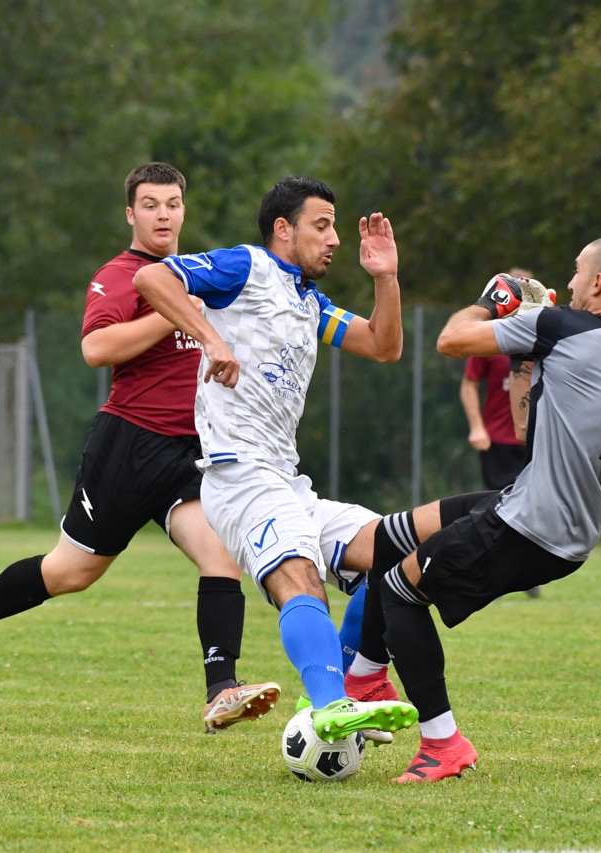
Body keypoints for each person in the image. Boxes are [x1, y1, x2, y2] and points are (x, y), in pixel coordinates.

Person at [0, 163, 281, 732]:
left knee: (221, 556)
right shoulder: (121, 276)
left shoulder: (198, 274)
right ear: (130, 214)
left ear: (183, 211)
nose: (163, 215)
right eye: (150, 204)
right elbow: (97, 348)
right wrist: (175, 313)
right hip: (127, 446)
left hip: (188, 452)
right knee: (71, 572)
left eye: (172, 204)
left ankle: (221, 689)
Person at [133, 175, 421, 744]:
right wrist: (211, 339)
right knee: (300, 577)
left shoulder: (308, 301)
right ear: (283, 229)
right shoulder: (247, 267)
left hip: (287, 482)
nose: (333, 239)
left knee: (395, 559)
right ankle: (331, 705)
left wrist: (386, 278)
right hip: (238, 475)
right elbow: (152, 277)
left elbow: (383, 346)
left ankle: (349, 685)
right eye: (322, 226)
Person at [373, 236, 601, 782]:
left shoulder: (564, 326)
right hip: (568, 532)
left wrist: (495, 299)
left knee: (398, 590)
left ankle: (441, 743)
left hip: (530, 522)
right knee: (392, 539)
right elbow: (527, 427)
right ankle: (362, 681)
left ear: (598, 282)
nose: (569, 283)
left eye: (577, 272)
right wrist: (527, 351)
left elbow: (451, 340)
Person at [460, 267, 544, 598]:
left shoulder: (544, 335)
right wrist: (476, 427)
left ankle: (524, 571)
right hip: (497, 438)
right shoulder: (490, 337)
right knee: (496, 506)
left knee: (533, 504)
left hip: (533, 437)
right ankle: (488, 569)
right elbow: (469, 385)